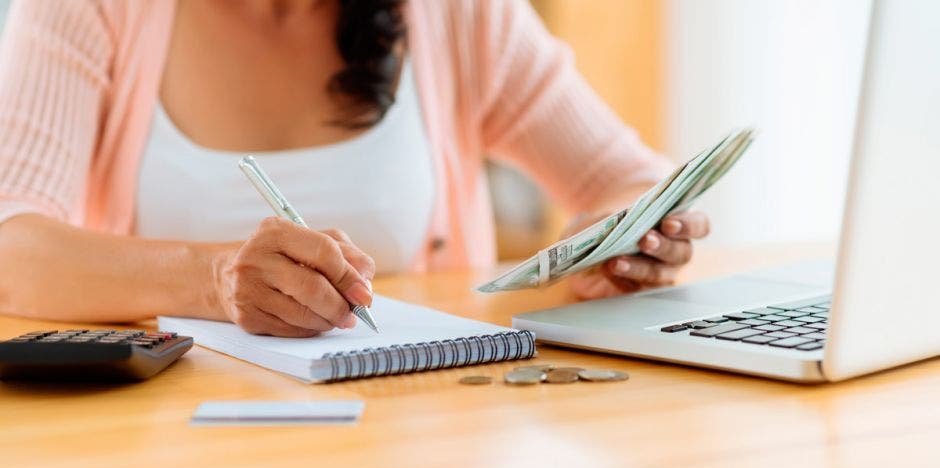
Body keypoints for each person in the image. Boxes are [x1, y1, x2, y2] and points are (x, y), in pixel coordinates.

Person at [0, 0, 709, 337]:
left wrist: (628, 241)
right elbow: (12, 243)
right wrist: (216, 280)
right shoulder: (85, 9)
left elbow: (627, 178)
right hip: (161, 444)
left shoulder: (457, 14)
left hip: (414, 431)